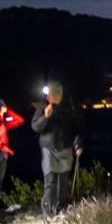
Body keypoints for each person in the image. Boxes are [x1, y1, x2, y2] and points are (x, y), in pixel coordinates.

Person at [31, 81, 84, 215]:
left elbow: (78, 127)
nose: (47, 97)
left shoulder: (69, 107)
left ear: (57, 95)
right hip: (48, 147)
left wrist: (78, 144)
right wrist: (45, 117)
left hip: (66, 147)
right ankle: (49, 211)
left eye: (50, 94)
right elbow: (35, 126)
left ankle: (61, 209)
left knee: (63, 181)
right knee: (50, 180)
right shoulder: (43, 107)